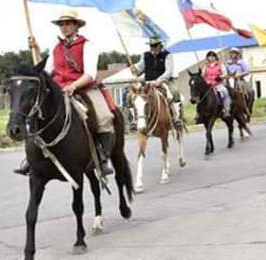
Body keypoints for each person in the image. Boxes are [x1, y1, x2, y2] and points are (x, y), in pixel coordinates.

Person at [15, 10, 114, 176]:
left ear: (76, 25)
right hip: (60, 90)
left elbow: (90, 74)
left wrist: (73, 86)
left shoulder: (87, 45)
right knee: (36, 114)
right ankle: (32, 159)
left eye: (68, 23)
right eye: (62, 24)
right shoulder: (56, 48)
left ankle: (103, 158)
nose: (64, 27)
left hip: (84, 88)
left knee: (104, 116)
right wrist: (36, 50)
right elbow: (46, 71)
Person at [133, 37, 182, 124]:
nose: (153, 48)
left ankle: (176, 117)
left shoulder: (167, 55)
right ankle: (134, 119)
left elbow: (169, 71)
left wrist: (159, 80)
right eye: (151, 46)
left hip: (163, 81)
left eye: (155, 45)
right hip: (148, 82)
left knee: (174, 92)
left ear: (160, 45)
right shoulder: (145, 55)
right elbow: (140, 67)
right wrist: (135, 69)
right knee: (132, 96)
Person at [202, 51, 231, 118]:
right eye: (209, 56)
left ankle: (226, 110)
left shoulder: (220, 65)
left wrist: (220, 77)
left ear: (215, 57)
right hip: (208, 86)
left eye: (213, 56)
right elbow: (203, 75)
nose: (211, 58)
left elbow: (225, 74)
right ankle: (199, 112)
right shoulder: (206, 66)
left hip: (218, 84)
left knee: (225, 92)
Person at [225, 47, 254, 115]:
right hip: (230, 79)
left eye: (234, 53)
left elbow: (247, 71)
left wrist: (239, 75)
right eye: (231, 53)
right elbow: (225, 71)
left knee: (249, 90)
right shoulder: (228, 63)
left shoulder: (241, 62)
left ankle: (246, 105)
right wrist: (227, 75)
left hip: (239, 79)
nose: (232, 54)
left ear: (237, 54)